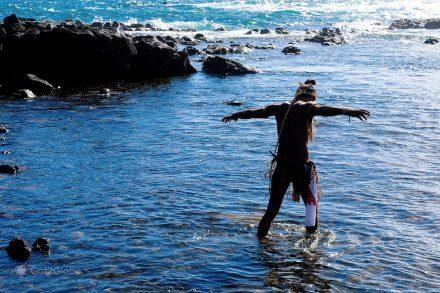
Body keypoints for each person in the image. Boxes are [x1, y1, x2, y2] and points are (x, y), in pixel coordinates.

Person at [222, 80, 370, 238]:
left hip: (282, 167)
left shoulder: (280, 108)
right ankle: (310, 251)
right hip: (300, 168)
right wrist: (348, 111)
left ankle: (260, 244)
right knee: (311, 210)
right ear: (311, 98)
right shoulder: (306, 107)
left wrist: (236, 114)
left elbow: (256, 112)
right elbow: (324, 110)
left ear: (297, 95)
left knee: (271, 211)